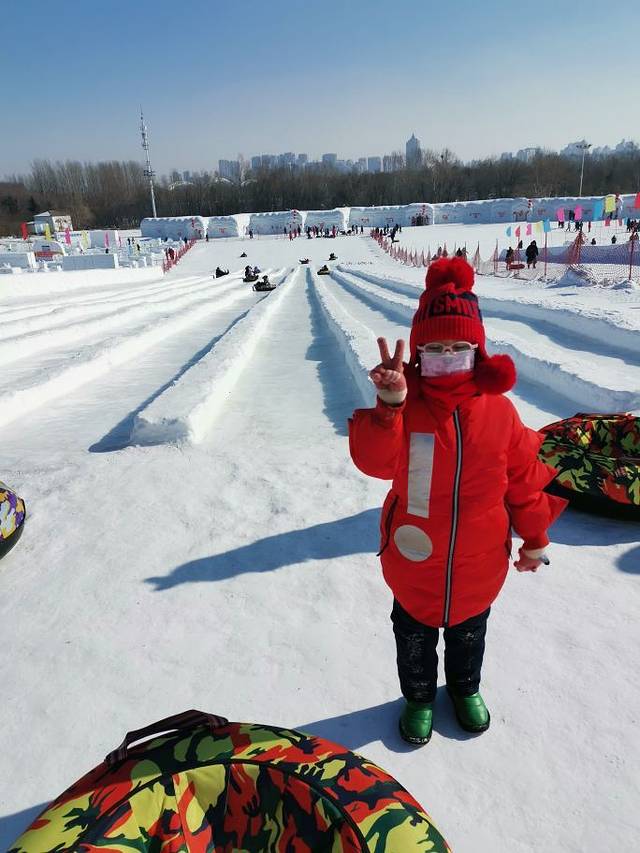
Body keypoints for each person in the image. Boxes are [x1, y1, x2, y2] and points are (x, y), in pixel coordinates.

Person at [349, 258, 566, 745]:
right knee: (414, 639)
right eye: (434, 349)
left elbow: (524, 481)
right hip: (414, 561)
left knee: (470, 635)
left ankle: (465, 689)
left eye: (458, 348)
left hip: (479, 564)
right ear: (419, 354)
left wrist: (535, 537)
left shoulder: (500, 413)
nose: (447, 356)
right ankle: (419, 698)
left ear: (478, 351)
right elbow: (375, 462)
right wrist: (390, 407)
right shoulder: (407, 408)